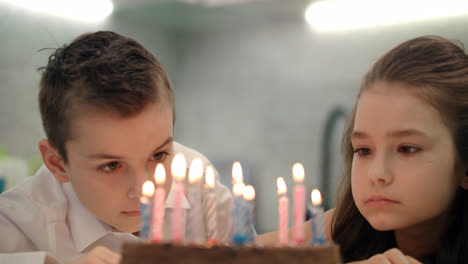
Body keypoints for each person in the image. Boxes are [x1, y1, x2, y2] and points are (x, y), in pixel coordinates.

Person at [0, 31, 234, 264]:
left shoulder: (198, 182)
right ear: (57, 163)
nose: (144, 190)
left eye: (159, 155)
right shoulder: (15, 226)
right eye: (111, 165)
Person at [257, 36, 468, 264]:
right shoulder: (347, 224)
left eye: (407, 149)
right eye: (364, 151)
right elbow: (237, 254)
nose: (377, 174)